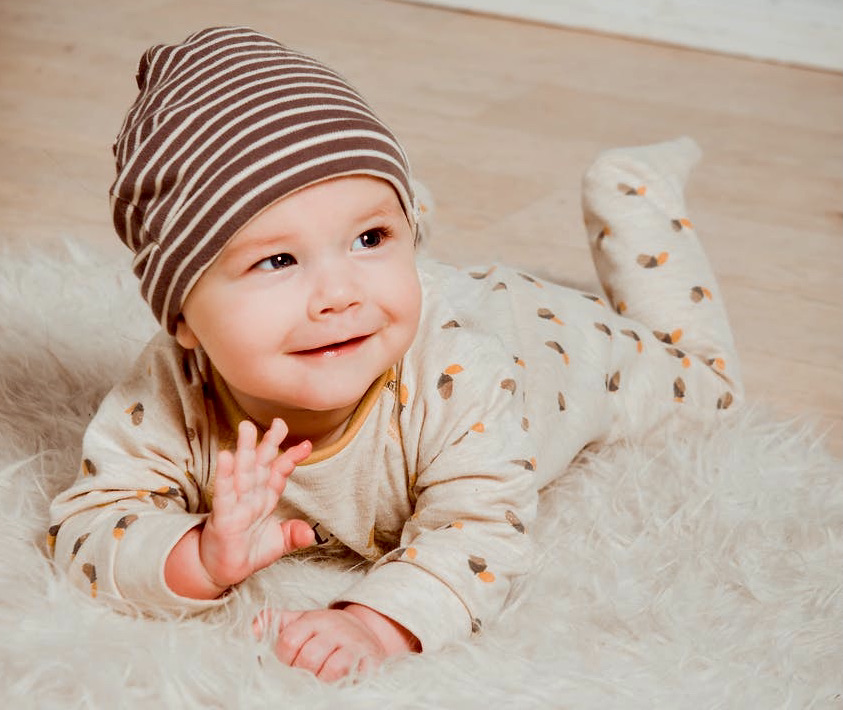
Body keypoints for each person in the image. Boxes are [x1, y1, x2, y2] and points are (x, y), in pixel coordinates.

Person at [48, 26, 742, 682]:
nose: (338, 295)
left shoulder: (462, 378)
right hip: (423, 303)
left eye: (370, 238)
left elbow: (478, 532)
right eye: (278, 260)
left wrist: (375, 625)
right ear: (182, 318)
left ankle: (631, 195)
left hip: (544, 340)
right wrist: (195, 555)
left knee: (706, 383)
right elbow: (88, 527)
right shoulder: (170, 392)